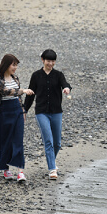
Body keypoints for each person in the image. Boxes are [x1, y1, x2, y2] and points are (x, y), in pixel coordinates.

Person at [25, 49, 72, 180]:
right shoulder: (36, 75)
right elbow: (30, 94)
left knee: (57, 143)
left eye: (53, 61)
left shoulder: (58, 75)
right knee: (48, 141)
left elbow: (65, 84)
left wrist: (67, 88)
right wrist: (25, 110)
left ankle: (52, 162)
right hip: (41, 112)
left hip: (57, 112)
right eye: (48, 61)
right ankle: (52, 169)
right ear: (43, 60)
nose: (50, 63)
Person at [0, 54, 34, 181]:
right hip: (4, 112)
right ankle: (6, 169)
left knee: (18, 140)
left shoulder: (15, 78)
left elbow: (18, 97)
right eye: (13, 65)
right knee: (6, 141)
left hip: (17, 111)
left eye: (16, 65)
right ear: (6, 65)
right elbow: (5, 91)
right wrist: (22, 91)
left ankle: (20, 172)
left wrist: (23, 111)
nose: (15, 68)